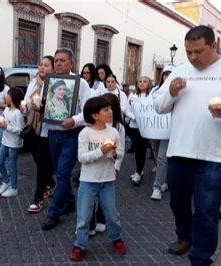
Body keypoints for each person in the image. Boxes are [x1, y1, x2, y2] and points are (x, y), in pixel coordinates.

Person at [153, 25, 221, 265]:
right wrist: (170, 91)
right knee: (177, 202)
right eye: (188, 52)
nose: (193, 57)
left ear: (214, 46)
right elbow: (158, 106)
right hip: (180, 151)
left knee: (207, 211)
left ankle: (201, 257)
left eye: (199, 51)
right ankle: (184, 236)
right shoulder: (179, 71)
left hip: (215, 156)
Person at [69, 96, 125, 261]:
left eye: (110, 109)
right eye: (106, 110)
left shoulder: (113, 132)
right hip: (88, 181)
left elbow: (119, 153)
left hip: (107, 180)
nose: (111, 112)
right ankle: (80, 244)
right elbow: (82, 157)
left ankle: (116, 237)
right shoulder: (85, 133)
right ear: (95, 115)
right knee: (84, 216)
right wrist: (101, 151)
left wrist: (113, 153)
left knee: (112, 214)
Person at [41, 47, 91, 230]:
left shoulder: (81, 84)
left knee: (62, 173)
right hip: (53, 134)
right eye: (56, 60)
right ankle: (69, 200)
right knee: (59, 172)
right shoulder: (50, 82)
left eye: (62, 60)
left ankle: (54, 212)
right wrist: (39, 105)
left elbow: (88, 111)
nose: (58, 63)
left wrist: (74, 120)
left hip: (71, 135)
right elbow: (46, 106)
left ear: (71, 63)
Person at [87, 93, 126, 235]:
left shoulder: (118, 128)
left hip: (109, 167)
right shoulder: (92, 126)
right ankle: (90, 223)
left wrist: (117, 166)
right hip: (92, 166)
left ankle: (102, 219)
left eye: (108, 108)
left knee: (105, 196)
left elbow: (120, 149)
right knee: (89, 195)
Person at [24, 55, 56, 213]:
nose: (42, 68)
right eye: (41, 65)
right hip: (34, 126)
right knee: (38, 159)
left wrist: (43, 107)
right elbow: (26, 102)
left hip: (50, 129)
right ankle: (50, 183)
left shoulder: (56, 84)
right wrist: (26, 107)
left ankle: (38, 197)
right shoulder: (33, 83)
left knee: (45, 162)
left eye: (46, 65)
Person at [149, 65, 174, 200]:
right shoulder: (155, 90)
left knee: (162, 157)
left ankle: (156, 187)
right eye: (165, 74)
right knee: (155, 150)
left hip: (167, 129)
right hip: (154, 128)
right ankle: (166, 179)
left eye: (170, 73)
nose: (167, 76)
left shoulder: (177, 91)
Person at [0, 88, 25, 197]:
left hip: (14, 143)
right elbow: (3, 121)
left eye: (8, 95)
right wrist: (1, 123)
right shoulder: (6, 110)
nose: (5, 97)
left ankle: (14, 187)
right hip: (5, 141)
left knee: (12, 164)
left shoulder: (18, 114)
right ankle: (6, 181)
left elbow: (20, 130)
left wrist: (7, 127)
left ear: (12, 98)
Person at [127, 76, 153, 185]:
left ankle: (139, 171)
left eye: (145, 81)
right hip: (135, 126)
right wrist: (136, 118)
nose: (142, 83)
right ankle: (139, 170)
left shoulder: (152, 97)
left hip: (146, 127)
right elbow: (127, 110)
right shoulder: (132, 96)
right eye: (140, 81)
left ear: (149, 84)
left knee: (143, 150)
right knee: (138, 150)